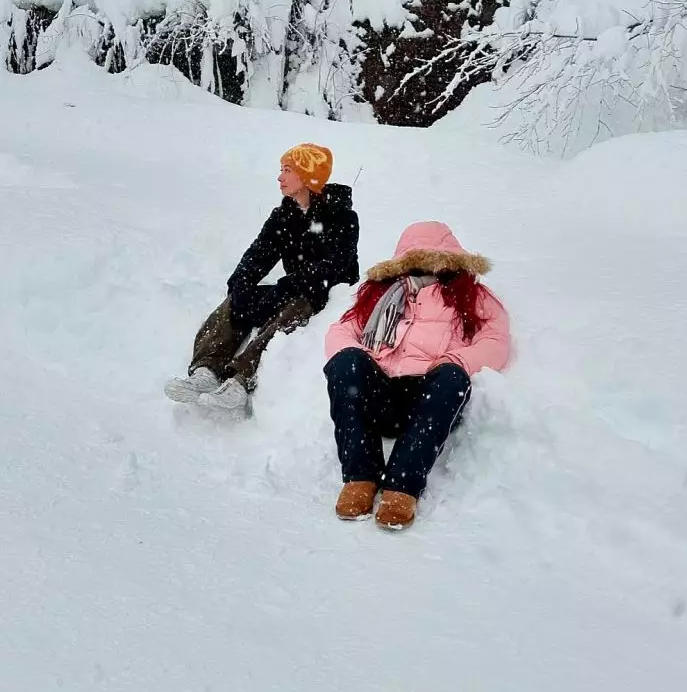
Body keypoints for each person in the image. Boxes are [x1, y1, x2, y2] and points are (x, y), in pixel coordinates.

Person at [324, 221, 511, 530]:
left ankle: (401, 487)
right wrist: (362, 355)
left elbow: (496, 341)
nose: (423, 268)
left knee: (453, 376)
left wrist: (455, 359)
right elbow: (341, 331)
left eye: (431, 259)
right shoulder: (382, 293)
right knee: (346, 363)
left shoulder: (471, 296)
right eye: (414, 260)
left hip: (429, 397)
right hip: (382, 392)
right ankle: (360, 478)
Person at [165, 143, 359, 414]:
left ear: (307, 176)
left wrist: (285, 287)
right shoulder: (284, 215)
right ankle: (207, 370)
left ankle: (241, 380)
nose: (280, 177)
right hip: (293, 286)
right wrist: (240, 284)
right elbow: (259, 254)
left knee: (293, 309)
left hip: (326, 294)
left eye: (287, 170)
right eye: (281, 170)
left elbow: (332, 268)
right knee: (238, 300)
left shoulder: (342, 217)